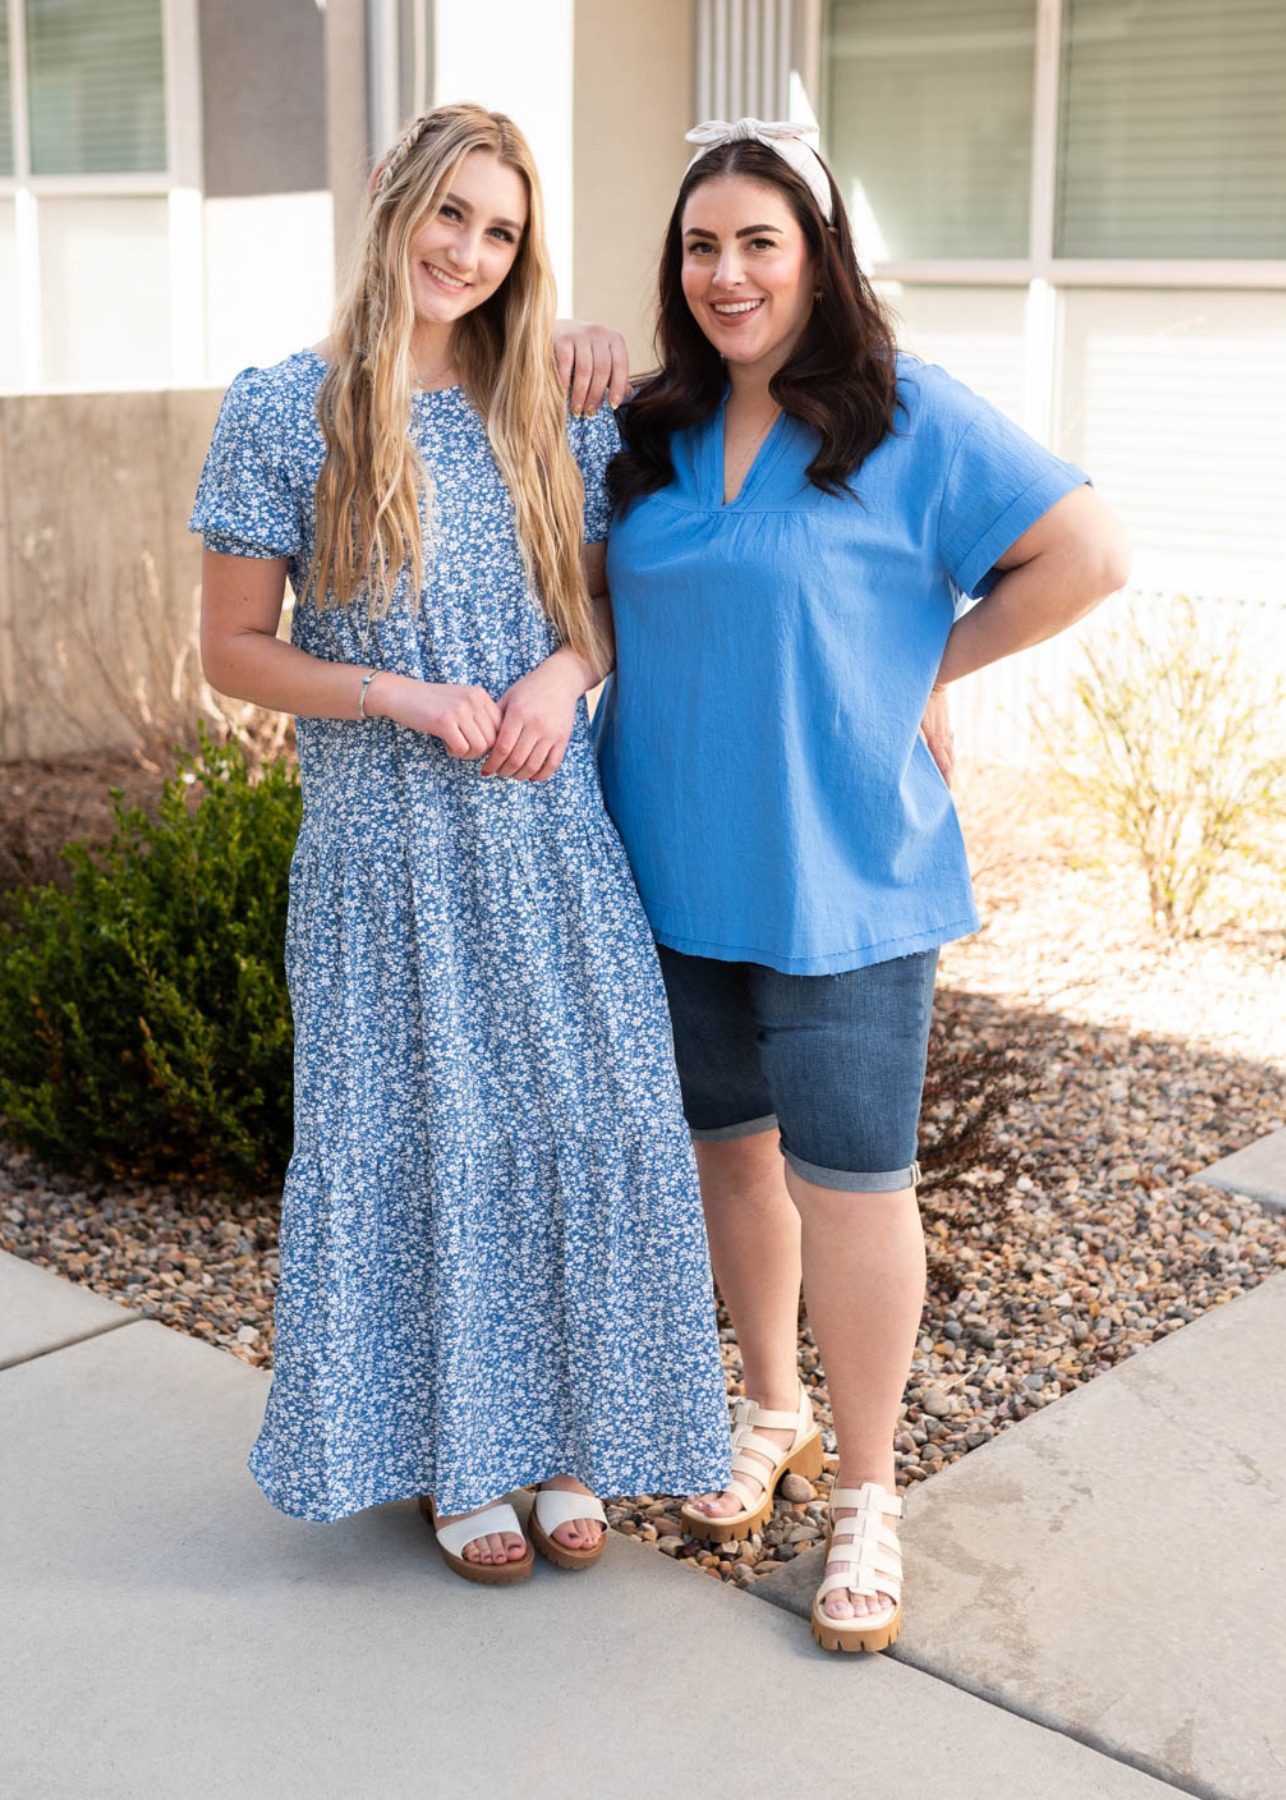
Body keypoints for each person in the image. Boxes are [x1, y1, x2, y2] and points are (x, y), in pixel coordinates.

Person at [592, 117, 1131, 1650]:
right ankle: (769, 1413)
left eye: (759, 240)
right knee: (732, 1157)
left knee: (854, 1185)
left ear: (819, 257)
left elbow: (1087, 552)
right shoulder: (649, 429)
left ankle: (867, 1498)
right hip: (669, 861)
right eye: (700, 245)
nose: (725, 272)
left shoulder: (909, 419)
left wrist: (925, 664)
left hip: (847, 875)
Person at [189, 103, 731, 1582]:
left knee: (587, 1120)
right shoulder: (281, 407)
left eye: (499, 231)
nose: (468, 253)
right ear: (388, 200)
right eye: (450, 216)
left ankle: (562, 1438)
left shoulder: (553, 399)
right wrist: (396, 692)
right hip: (383, 846)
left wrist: (562, 674)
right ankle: (452, 1457)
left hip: (549, 830)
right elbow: (233, 650)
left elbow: (605, 604)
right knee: (418, 1141)